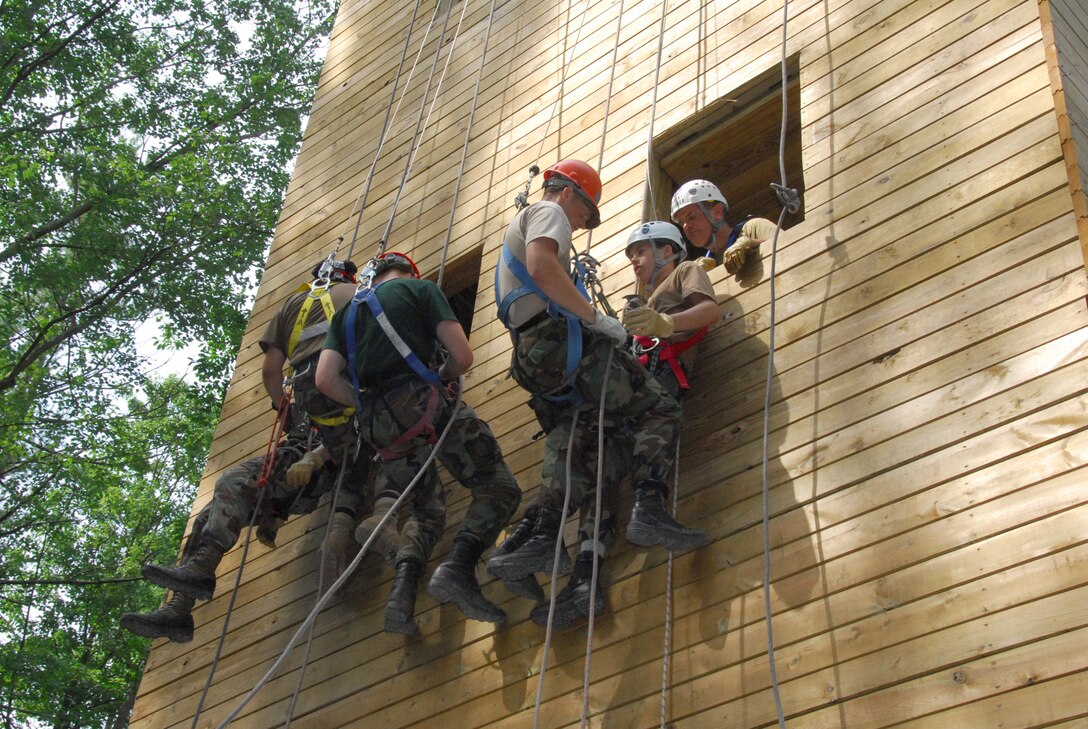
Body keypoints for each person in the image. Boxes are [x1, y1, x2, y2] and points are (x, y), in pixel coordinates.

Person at [120, 259, 371, 643]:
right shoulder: (357, 297)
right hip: (332, 439)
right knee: (212, 511)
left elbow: (272, 373)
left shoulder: (293, 307)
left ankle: (195, 579)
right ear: (348, 277)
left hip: (330, 447)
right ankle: (177, 609)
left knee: (231, 482)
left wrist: (286, 414)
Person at [487, 160, 706, 595]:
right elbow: (542, 267)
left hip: (535, 354)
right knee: (659, 406)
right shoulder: (547, 212)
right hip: (556, 339)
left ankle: (544, 535)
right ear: (567, 192)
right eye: (586, 210)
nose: (585, 222)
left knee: (579, 428)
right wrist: (594, 319)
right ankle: (648, 505)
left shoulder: (521, 226)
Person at [524, 220, 721, 629]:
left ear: (668, 251)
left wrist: (665, 324)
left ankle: (648, 505)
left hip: (657, 381)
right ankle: (585, 578)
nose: (633, 260)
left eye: (641, 252)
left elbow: (709, 310)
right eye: (632, 254)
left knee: (646, 425)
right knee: (601, 475)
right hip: (629, 389)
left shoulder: (685, 272)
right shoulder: (640, 300)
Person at [316, 251, 522, 633]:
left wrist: (364, 402)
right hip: (426, 405)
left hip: (382, 428)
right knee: (499, 489)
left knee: (427, 511)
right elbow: (462, 356)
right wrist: (438, 375)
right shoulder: (420, 290)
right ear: (409, 271)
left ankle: (402, 596)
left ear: (372, 278)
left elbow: (325, 379)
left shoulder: (345, 316)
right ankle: (458, 568)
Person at [670, 179, 776, 274]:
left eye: (691, 217)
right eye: (681, 223)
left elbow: (789, 245)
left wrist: (751, 244)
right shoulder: (705, 267)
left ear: (718, 212)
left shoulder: (753, 228)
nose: (686, 227)